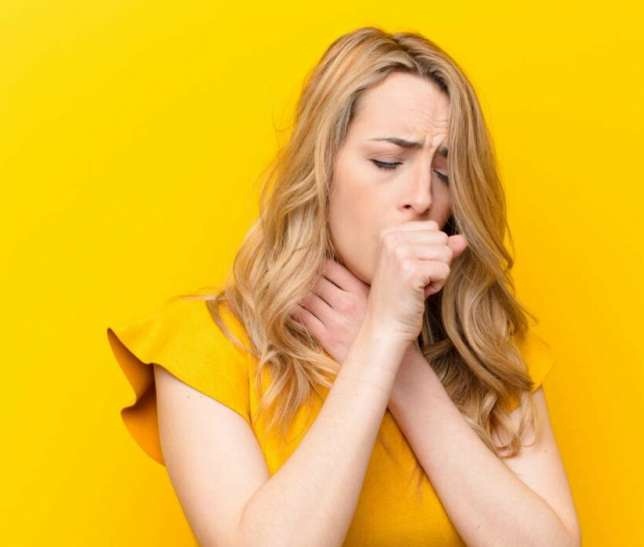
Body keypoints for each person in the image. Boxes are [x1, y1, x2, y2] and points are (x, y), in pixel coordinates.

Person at [106, 26, 581, 546]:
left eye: (445, 173)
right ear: (320, 169)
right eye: (387, 162)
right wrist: (378, 340)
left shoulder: (489, 351)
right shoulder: (207, 347)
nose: (422, 196)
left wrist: (405, 371)